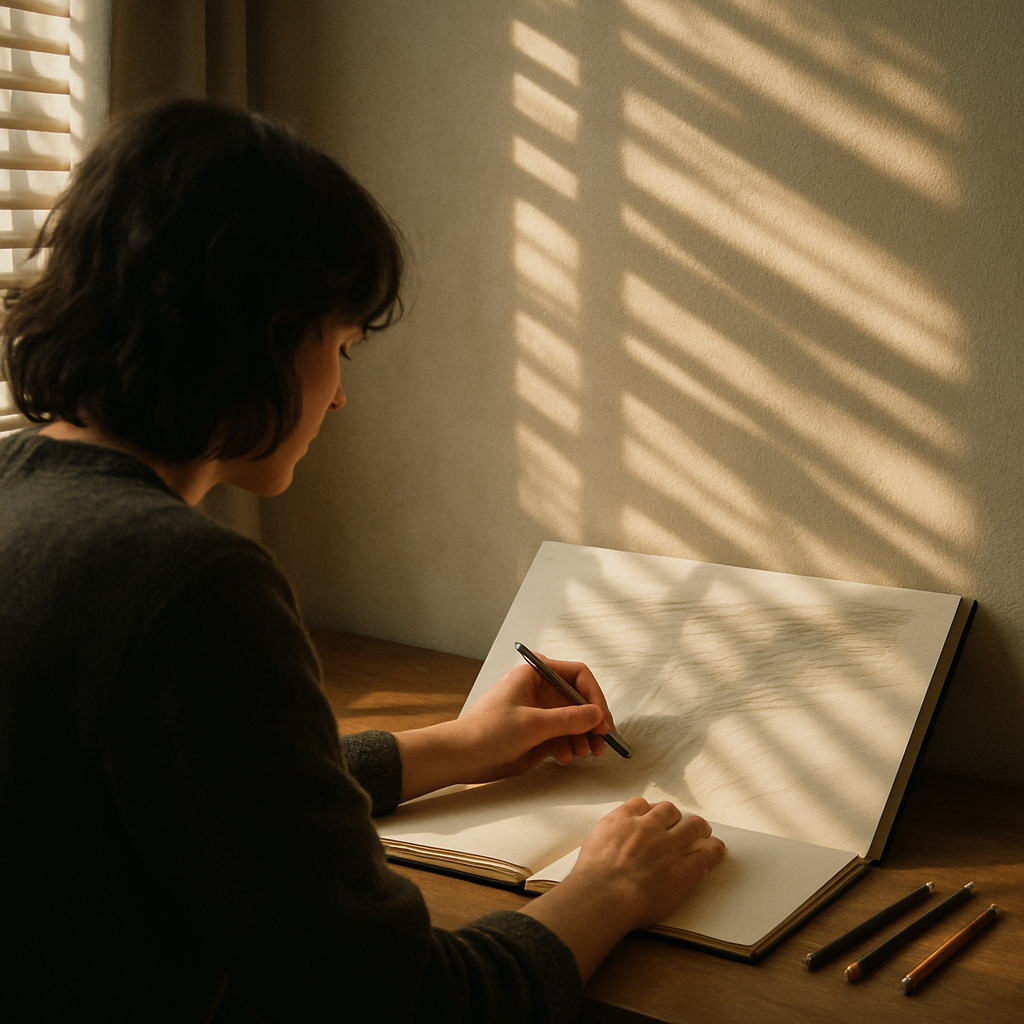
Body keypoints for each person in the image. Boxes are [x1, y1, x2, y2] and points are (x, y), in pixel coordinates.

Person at [0, 98, 725, 1023]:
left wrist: (459, 747)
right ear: (259, 332)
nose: (340, 397)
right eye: (338, 347)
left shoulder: (23, 502)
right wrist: (611, 886)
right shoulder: (185, 583)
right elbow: (411, 1004)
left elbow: (221, 788)